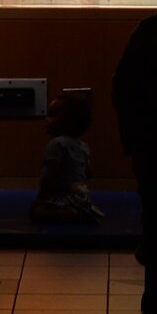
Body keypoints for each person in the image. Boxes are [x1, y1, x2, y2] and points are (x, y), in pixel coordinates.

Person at [29, 93, 104, 223]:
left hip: (64, 195)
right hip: (80, 196)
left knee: (36, 212)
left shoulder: (56, 144)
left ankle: (75, 215)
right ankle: (82, 211)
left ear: (69, 123)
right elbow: (88, 173)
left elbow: (51, 174)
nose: (46, 119)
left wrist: (42, 196)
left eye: (53, 116)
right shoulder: (83, 146)